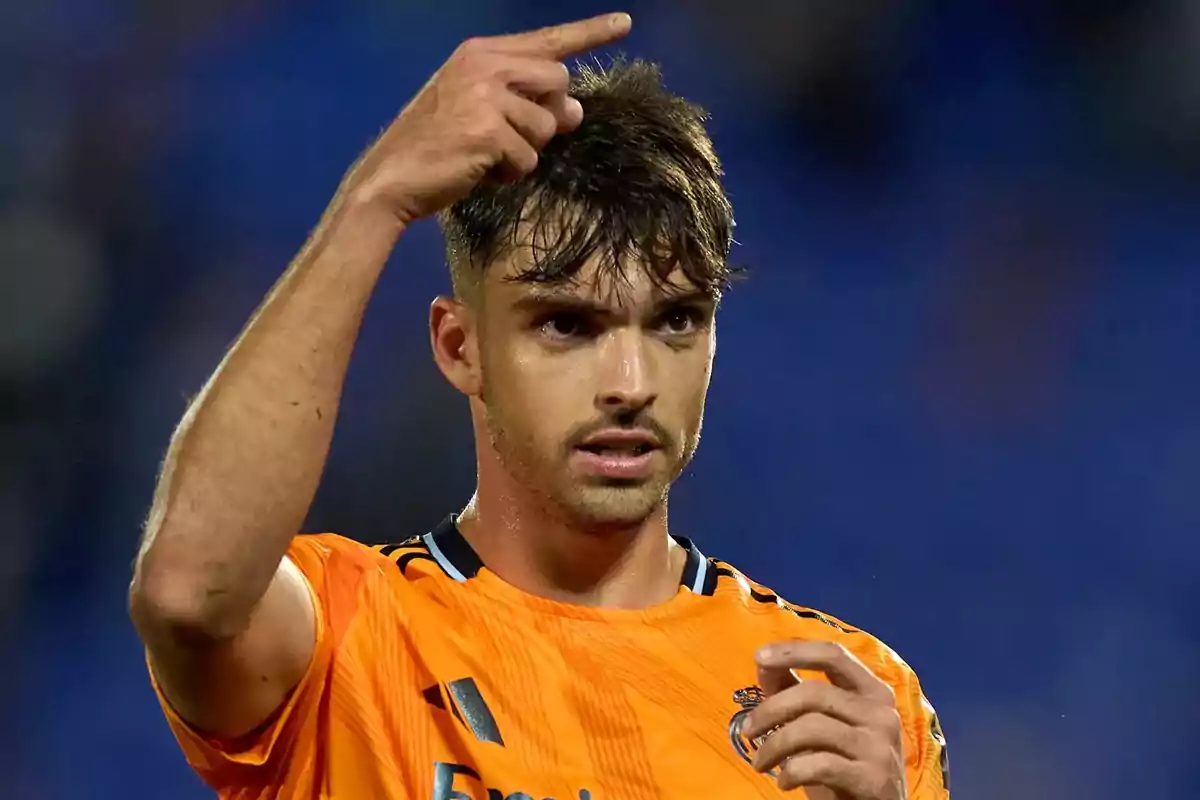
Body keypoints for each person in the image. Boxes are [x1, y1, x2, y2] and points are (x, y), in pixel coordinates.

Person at [129, 12, 950, 800]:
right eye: (568, 323)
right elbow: (186, 594)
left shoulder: (844, 704)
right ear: (460, 348)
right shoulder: (348, 645)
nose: (631, 380)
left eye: (675, 320)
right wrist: (375, 197)